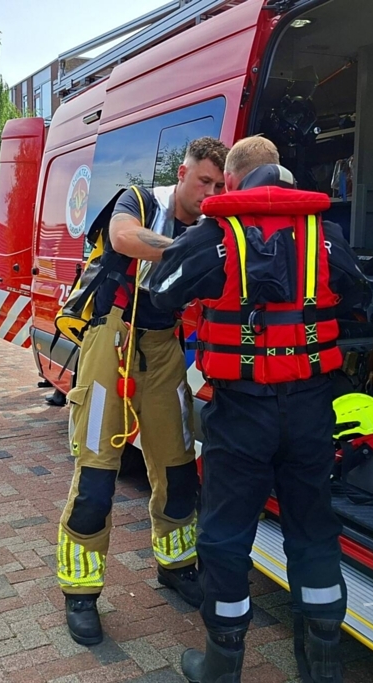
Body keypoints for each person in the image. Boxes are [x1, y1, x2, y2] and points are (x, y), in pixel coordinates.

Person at [149, 136, 370, 683]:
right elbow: (360, 294)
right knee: (313, 529)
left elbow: (159, 294)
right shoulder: (326, 235)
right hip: (312, 408)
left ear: (232, 182)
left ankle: (222, 666)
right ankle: (321, 665)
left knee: (226, 535)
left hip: (242, 413)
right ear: (284, 176)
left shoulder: (214, 236)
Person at [57, 137, 230, 647]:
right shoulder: (141, 199)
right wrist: (186, 246)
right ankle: (81, 591)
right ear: (183, 173)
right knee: (95, 478)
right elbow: (125, 237)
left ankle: (177, 565)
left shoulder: (214, 226)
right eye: (204, 181)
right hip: (111, 338)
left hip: (164, 346)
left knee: (179, 470)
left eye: (220, 186)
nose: (211, 193)